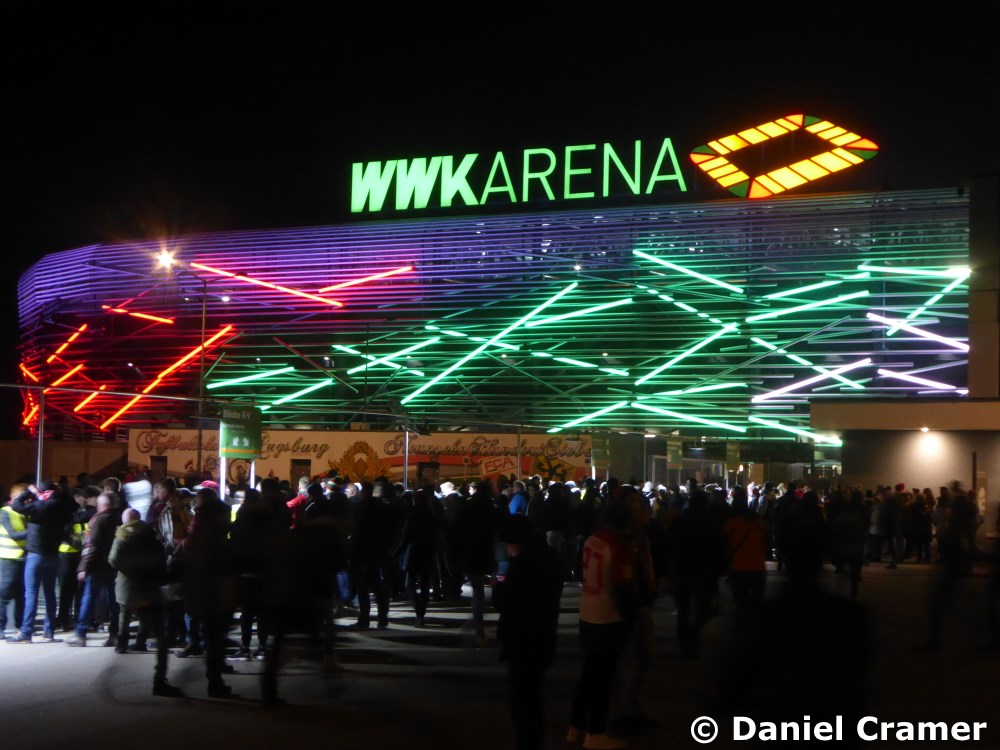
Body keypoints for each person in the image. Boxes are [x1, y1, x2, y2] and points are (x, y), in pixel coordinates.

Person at [566, 494, 637, 750]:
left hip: (587, 612)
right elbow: (622, 586)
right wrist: (631, 619)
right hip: (608, 616)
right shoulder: (617, 545)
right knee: (603, 678)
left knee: (588, 673)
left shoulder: (592, 540)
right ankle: (595, 732)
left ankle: (576, 726)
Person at [493, 513, 565, 750]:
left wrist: (498, 588)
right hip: (542, 636)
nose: (506, 548)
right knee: (533, 699)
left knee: (523, 702)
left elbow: (510, 602)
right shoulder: (548, 557)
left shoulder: (524, 564)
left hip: (524, 640)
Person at [108, 508, 182, 696]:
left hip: (128, 585)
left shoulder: (122, 536)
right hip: (149, 588)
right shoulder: (151, 535)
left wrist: (129, 571)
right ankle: (159, 678)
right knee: (159, 633)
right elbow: (160, 559)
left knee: (125, 612)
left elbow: (113, 559)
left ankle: (122, 643)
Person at [7, 481, 78, 643]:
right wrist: (64, 490)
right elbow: (74, 505)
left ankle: (26, 632)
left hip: (35, 555)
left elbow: (16, 505)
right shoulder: (62, 507)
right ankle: (49, 632)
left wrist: (28, 492)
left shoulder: (39, 507)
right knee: (50, 594)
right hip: (53, 556)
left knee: (31, 593)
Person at [0, 484, 28, 637]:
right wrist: (35, 531)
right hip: (7, 558)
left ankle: (20, 625)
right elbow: (13, 534)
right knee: (4, 594)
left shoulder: (24, 513)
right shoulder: (5, 512)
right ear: (16, 497)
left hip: (22, 558)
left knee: (21, 594)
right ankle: (0, 626)